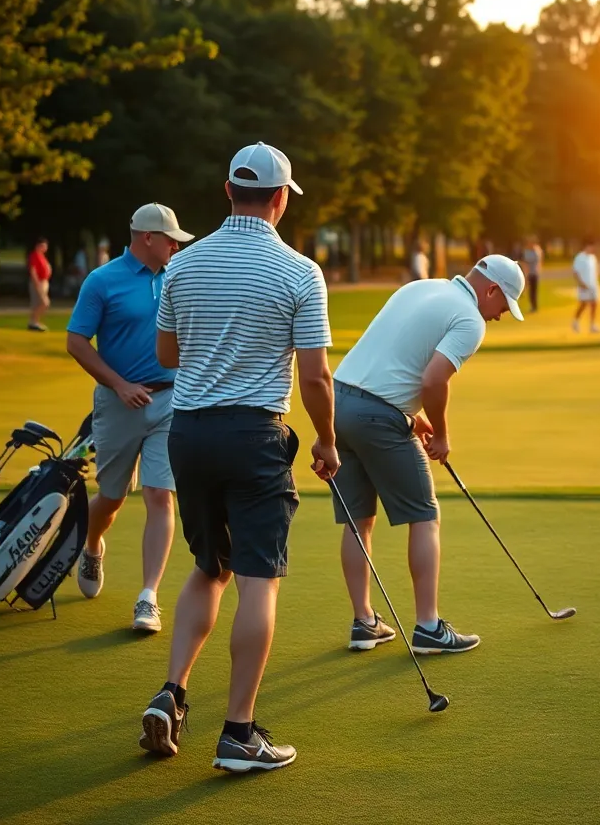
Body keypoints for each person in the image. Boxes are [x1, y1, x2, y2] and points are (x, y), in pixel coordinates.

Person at [139, 141, 339, 774]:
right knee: (258, 577)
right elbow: (315, 379)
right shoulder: (300, 272)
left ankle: (172, 693)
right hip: (254, 435)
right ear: (280, 199)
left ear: (228, 191)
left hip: (189, 435)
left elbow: (167, 356)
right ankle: (239, 733)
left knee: (208, 565)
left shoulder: (183, 266)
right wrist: (328, 443)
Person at [329, 254, 525, 657]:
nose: (500, 316)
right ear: (490, 290)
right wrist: (443, 435)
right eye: (503, 305)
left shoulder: (420, 287)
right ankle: (429, 628)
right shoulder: (469, 319)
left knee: (358, 519)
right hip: (377, 416)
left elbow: (387, 359)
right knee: (424, 516)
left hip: (338, 402)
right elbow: (433, 379)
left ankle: (364, 623)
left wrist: (410, 415)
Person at [66, 203, 195, 632]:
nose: (177, 246)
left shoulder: (179, 275)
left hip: (171, 401)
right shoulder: (102, 281)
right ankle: (92, 543)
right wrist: (120, 385)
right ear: (147, 238)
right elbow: (76, 341)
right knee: (114, 497)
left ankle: (148, 597)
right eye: (171, 239)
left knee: (161, 495)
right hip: (118, 403)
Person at [571, 237, 600, 333]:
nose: (593, 249)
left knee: (594, 304)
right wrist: (581, 283)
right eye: (591, 247)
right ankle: (575, 321)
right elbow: (575, 272)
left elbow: (595, 271)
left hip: (593, 284)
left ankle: (592, 325)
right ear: (586, 246)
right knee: (583, 304)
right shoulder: (580, 257)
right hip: (584, 285)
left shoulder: (593, 258)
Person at [28, 237, 52, 332]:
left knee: (40, 303)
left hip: (44, 282)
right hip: (39, 282)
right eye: (43, 246)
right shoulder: (34, 255)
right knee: (44, 303)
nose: (45, 248)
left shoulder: (42, 256)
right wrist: (37, 283)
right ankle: (34, 322)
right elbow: (33, 271)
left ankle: (34, 322)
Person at [522, 238, 543, 313]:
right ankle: (533, 306)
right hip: (529, 273)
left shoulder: (537, 251)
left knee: (534, 290)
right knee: (531, 291)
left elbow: (537, 260)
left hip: (535, 272)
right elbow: (526, 263)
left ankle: (535, 306)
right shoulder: (527, 252)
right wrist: (525, 273)